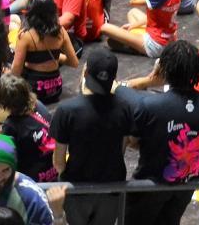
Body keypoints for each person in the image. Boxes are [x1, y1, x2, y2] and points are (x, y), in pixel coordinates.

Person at [128, 40, 199, 225]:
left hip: (150, 184)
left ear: (165, 69)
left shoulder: (150, 105)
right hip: (185, 184)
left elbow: (132, 141)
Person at [50, 48, 135, 225]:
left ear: (86, 72)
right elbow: (123, 147)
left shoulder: (67, 111)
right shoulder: (125, 108)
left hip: (77, 188)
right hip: (111, 187)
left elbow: (58, 163)